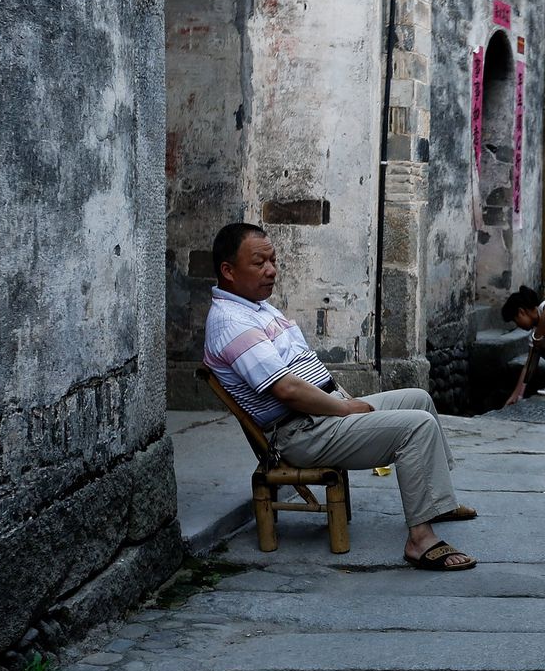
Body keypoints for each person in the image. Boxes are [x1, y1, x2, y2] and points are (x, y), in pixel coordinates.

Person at [203, 223, 478, 572]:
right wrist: (344, 408)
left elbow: (301, 369)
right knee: (416, 427)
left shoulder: (258, 307)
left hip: (322, 415)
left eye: (273, 260)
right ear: (228, 271)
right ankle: (420, 540)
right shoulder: (231, 322)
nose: (271, 270)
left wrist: (342, 399)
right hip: (301, 432)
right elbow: (285, 389)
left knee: (418, 399)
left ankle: (437, 500)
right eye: (259, 263)